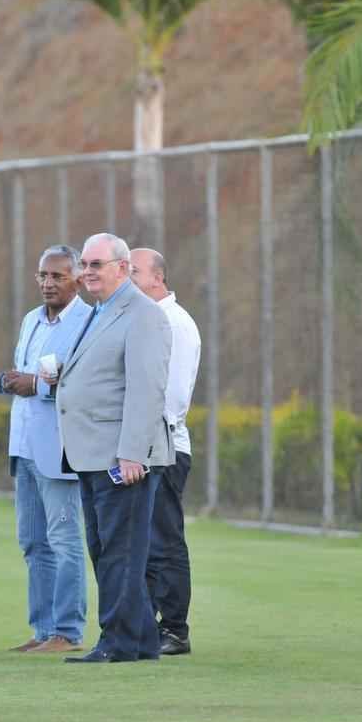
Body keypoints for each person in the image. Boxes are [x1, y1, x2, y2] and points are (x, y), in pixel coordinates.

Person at [50, 232, 173, 664]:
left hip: (121, 457)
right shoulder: (102, 312)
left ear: (122, 268)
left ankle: (118, 642)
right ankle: (139, 640)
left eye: (95, 265)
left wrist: (132, 453)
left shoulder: (142, 315)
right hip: (91, 452)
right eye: (84, 265)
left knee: (120, 551)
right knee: (107, 549)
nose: (86, 273)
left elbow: (146, 388)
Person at [1, 244, 92, 653]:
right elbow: (29, 374)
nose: (48, 283)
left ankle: (68, 631)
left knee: (65, 539)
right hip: (24, 445)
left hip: (60, 449)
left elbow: (86, 386)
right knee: (33, 541)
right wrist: (13, 381)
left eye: (57, 275)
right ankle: (43, 630)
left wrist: (34, 385)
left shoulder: (90, 323)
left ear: (77, 278)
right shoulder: (31, 321)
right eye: (43, 275)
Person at [129, 248, 201, 656]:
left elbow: (170, 397)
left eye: (134, 271)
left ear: (158, 278)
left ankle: (175, 629)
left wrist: (144, 445)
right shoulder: (148, 320)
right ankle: (148, 623)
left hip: (165, 449)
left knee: (165, 542)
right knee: (144, 542)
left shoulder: (174, 322)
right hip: (145, 447)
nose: (129, 278)